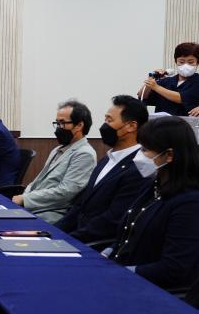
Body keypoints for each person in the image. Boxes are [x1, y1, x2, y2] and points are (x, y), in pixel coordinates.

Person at [105, 117, 199, 289]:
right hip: (124, 277)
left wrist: (121, 273)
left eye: (145, 150)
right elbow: (129, 233)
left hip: (150, 289)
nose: (138, 156)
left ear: (169, 155)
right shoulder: (153, 185)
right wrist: (109, 251)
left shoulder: (189, 202)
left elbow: (175, 268)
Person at [55, 96, 149, 241]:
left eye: (110, 121)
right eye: (105, 120)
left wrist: (71, 239)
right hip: (76, 234)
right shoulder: (107, 159)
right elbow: (80, 205)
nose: (104, 126)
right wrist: (54, 232)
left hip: (94, 243)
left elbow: (113, 219)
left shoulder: (137, 167)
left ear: (131, 126)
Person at [12, 100, 96, 222]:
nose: (58, 128)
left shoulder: (84, 154)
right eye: (57, 123)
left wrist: (26, 199)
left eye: (62, 123)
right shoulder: (58, 149)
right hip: (33, 206)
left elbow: (66, 193)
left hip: (51, 213)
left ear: (79, 126)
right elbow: (38, 181)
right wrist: (24, 196)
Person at [140, 42, 199, 116]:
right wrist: (151, 79)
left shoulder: (196, 81)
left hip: (185, 122)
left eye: (190, 62)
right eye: (181, 62)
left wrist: (156, 87)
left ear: (197, 63)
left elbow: (180, 98)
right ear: (176, 61)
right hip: (161, 122)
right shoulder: (166, 81)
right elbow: (143, 96)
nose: (186, 65)